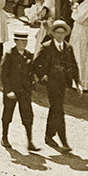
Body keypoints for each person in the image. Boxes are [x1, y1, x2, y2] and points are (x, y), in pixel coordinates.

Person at [34, 21, 80, 151]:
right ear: (53, 33)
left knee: (55, 108)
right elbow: (36, 63)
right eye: (57, 33)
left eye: (62, 33)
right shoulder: (47, 47)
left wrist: (78, 83)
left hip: (63, 83)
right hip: (51, 83)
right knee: (59, 110)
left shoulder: (68, 48)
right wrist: (42, 75)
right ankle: (64, 142)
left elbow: (73, 66)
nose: (60, 35)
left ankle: (49, 136)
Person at [0, 29, 38, 152]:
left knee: (28, 116)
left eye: (25, 41)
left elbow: (31, 72)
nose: (24, 43)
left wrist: (33, 83)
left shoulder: (28, 55)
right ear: (15, 41)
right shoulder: (9, 55)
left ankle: (30, 141)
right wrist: (8, 90)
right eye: (21, 41)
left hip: (25, 91)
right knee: (7, 114)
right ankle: (4, 137)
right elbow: (3, 75)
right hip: (12, 91)